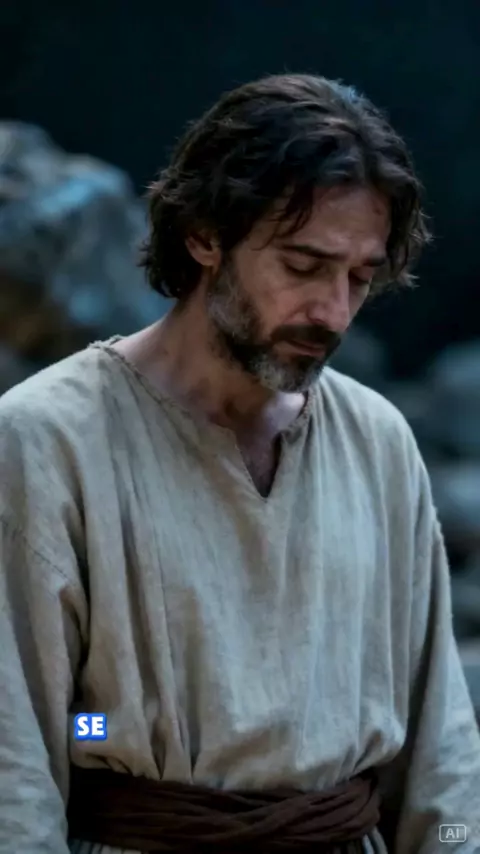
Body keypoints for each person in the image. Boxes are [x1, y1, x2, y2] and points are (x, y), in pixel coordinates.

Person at [0, 73, 479, 854]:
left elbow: (439, 742)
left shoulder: (378, 440)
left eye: (359, 277)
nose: (333, 311)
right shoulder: (47, 439)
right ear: (205, 236)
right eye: (303, 265)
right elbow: (15, 751)